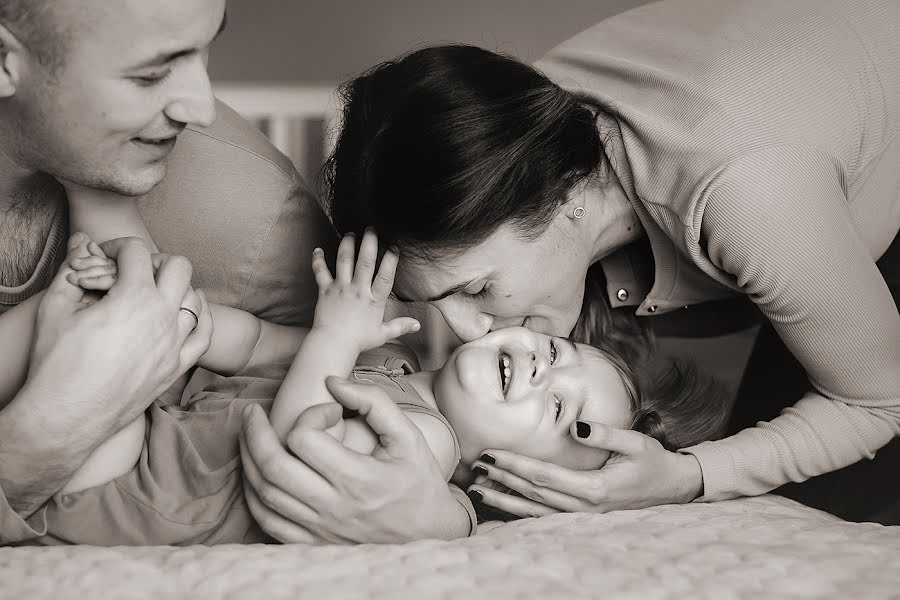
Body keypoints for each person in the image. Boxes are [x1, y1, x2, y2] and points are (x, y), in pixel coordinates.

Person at [240, 0, 900, 533]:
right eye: (436, 302)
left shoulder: (749, 195)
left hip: (825, 140)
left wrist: (690, 477)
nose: (473, 331)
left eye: (477, 289)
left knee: (819, 509)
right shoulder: (514, 129)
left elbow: (878, 400)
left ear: (560, 198)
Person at [1, 0, 465, 545]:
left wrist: (454, 514)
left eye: (205, 48)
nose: (202, 105)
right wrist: (49, 426)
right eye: (151, 73)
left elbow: (326, 458)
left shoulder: (250, 223)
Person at [16, 230, 725, 544]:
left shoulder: (424, 447)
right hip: (156, 438)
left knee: (83, 346)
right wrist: (191, 320)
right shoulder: (397, 367)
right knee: (135, 310)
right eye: (556, 351)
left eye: (559, 407)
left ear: (518, 479)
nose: (547, 369)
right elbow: (260, 344)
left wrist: (335, 333)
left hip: (133, 496)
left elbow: (301, 453)